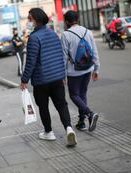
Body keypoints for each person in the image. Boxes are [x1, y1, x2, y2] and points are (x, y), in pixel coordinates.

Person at [20, 8, 77, 147]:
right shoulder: (53, 34)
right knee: (61, 104)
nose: (28, 21)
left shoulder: (34, 38)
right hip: (57, 78)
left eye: (29, 18)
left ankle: (48, 132)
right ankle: (69, 128)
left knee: (43, 107)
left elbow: (31, 61)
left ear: (35, 19)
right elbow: (60, 56)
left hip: (41, 80)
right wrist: (63, 75)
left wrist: (24, 80)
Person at [61, 10, 100, 132]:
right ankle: (82, 122)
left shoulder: (66, 34)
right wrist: (96, 68)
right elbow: (94, 51)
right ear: (78, 19)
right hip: (88, 68)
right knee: (82, 94)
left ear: (66, 21)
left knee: (74, 95)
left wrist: (63, 74)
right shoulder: (87, 31)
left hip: (74, 71)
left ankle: (90, 114)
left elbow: (64, 56)